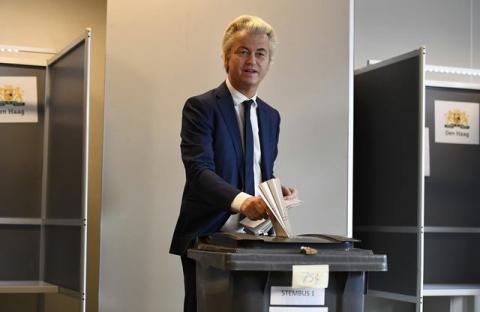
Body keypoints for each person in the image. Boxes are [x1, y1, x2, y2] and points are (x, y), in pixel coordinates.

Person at [169, 15, 298, 312]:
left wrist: (277, 194)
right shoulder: (201, 108)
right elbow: (199, 172)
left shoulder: (270, 116)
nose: (252, 60)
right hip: (207, 237)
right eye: (243, 51)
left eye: (260, 53)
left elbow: (261, 172)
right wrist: (244, 203)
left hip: (256, 239)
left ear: (268, 63)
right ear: (226, 58)